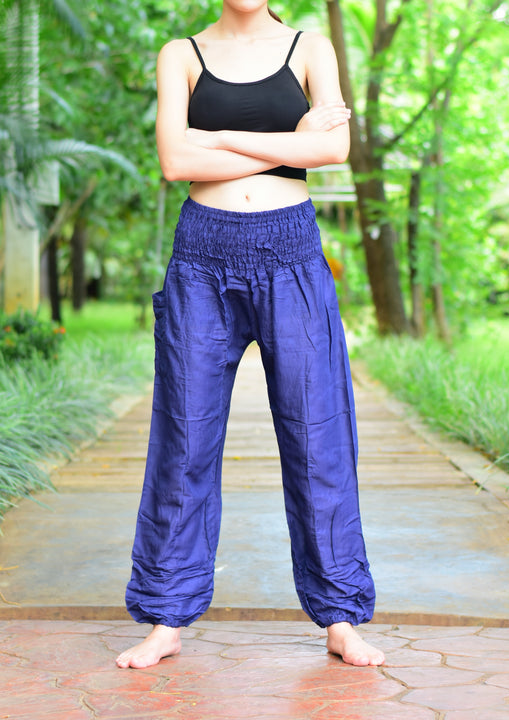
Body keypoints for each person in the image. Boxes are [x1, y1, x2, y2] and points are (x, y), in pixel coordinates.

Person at [116, 0, 385, 670]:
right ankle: (166, 618)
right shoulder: (180, 54)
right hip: (201, 255)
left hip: (292, 251)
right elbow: (174, 162)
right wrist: (287, 139)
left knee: (318, 434)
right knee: (185, 436)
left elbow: (332, 150)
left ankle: (341, 616)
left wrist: (213, 141)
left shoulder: (310, 48)